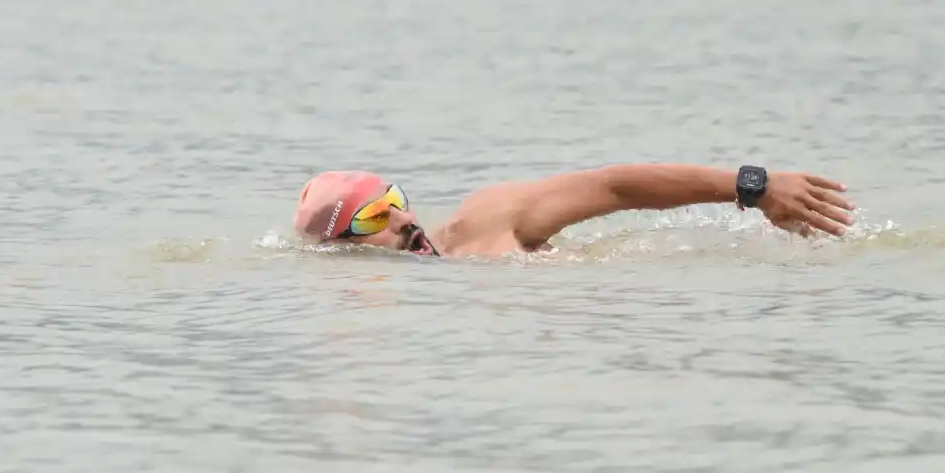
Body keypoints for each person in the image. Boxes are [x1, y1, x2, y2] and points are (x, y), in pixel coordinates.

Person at [292, 163, 856, 258]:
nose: (404, 221)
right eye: (371, 219)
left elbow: (612, 188)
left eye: (395, 203)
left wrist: (751, 185)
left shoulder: (484, 221)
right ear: (337, 251)